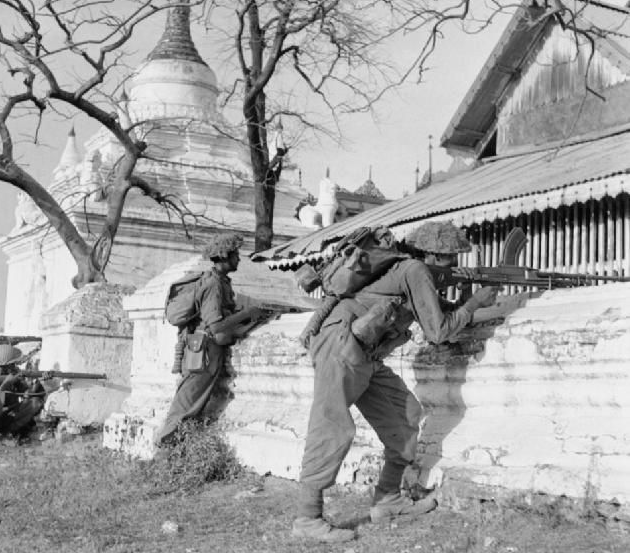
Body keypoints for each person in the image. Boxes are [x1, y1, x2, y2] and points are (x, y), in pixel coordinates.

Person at [292, 221, 499, 543]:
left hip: (365, 352)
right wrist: (474, 304)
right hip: (341, 345)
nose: (455, 263)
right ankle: (308, 518)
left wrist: (468, 297)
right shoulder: (415, 270)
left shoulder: (409, 270)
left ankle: (388, 500)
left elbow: (438, 314)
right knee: (331, 425)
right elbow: (438, 332)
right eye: (451, 257)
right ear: (432, 255)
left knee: (405, 417)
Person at [156, 232, 267, 446]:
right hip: (203, 351)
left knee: (191, 406)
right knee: (184, 407)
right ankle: (164, 449)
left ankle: (174, 450)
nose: (238, 259)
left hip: (206, 350)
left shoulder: (220, 282)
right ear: (224, 256)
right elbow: (216, 325)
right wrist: (248, 313)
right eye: (235, 255)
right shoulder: (213, 284)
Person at [0, 344, 48, 450]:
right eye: (12, 364)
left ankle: (8, 434)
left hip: (9, 416)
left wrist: (39, 382)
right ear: (4, 365)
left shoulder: (15, 372)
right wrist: (5, 384)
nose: (15, 366)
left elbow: (27, 394)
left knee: (35, 403)